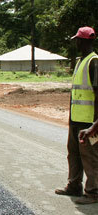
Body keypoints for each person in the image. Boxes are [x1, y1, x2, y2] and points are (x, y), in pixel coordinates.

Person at [55, 26, 98, 205]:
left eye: (78, 39)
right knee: (73, 153)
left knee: (90, 156)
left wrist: (96, 123)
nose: (76, 42)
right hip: (76, 119)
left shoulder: (94, 62)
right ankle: (74, 185)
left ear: (86, 41)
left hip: (89, 122)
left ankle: (93, 193)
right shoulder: (81, 60)